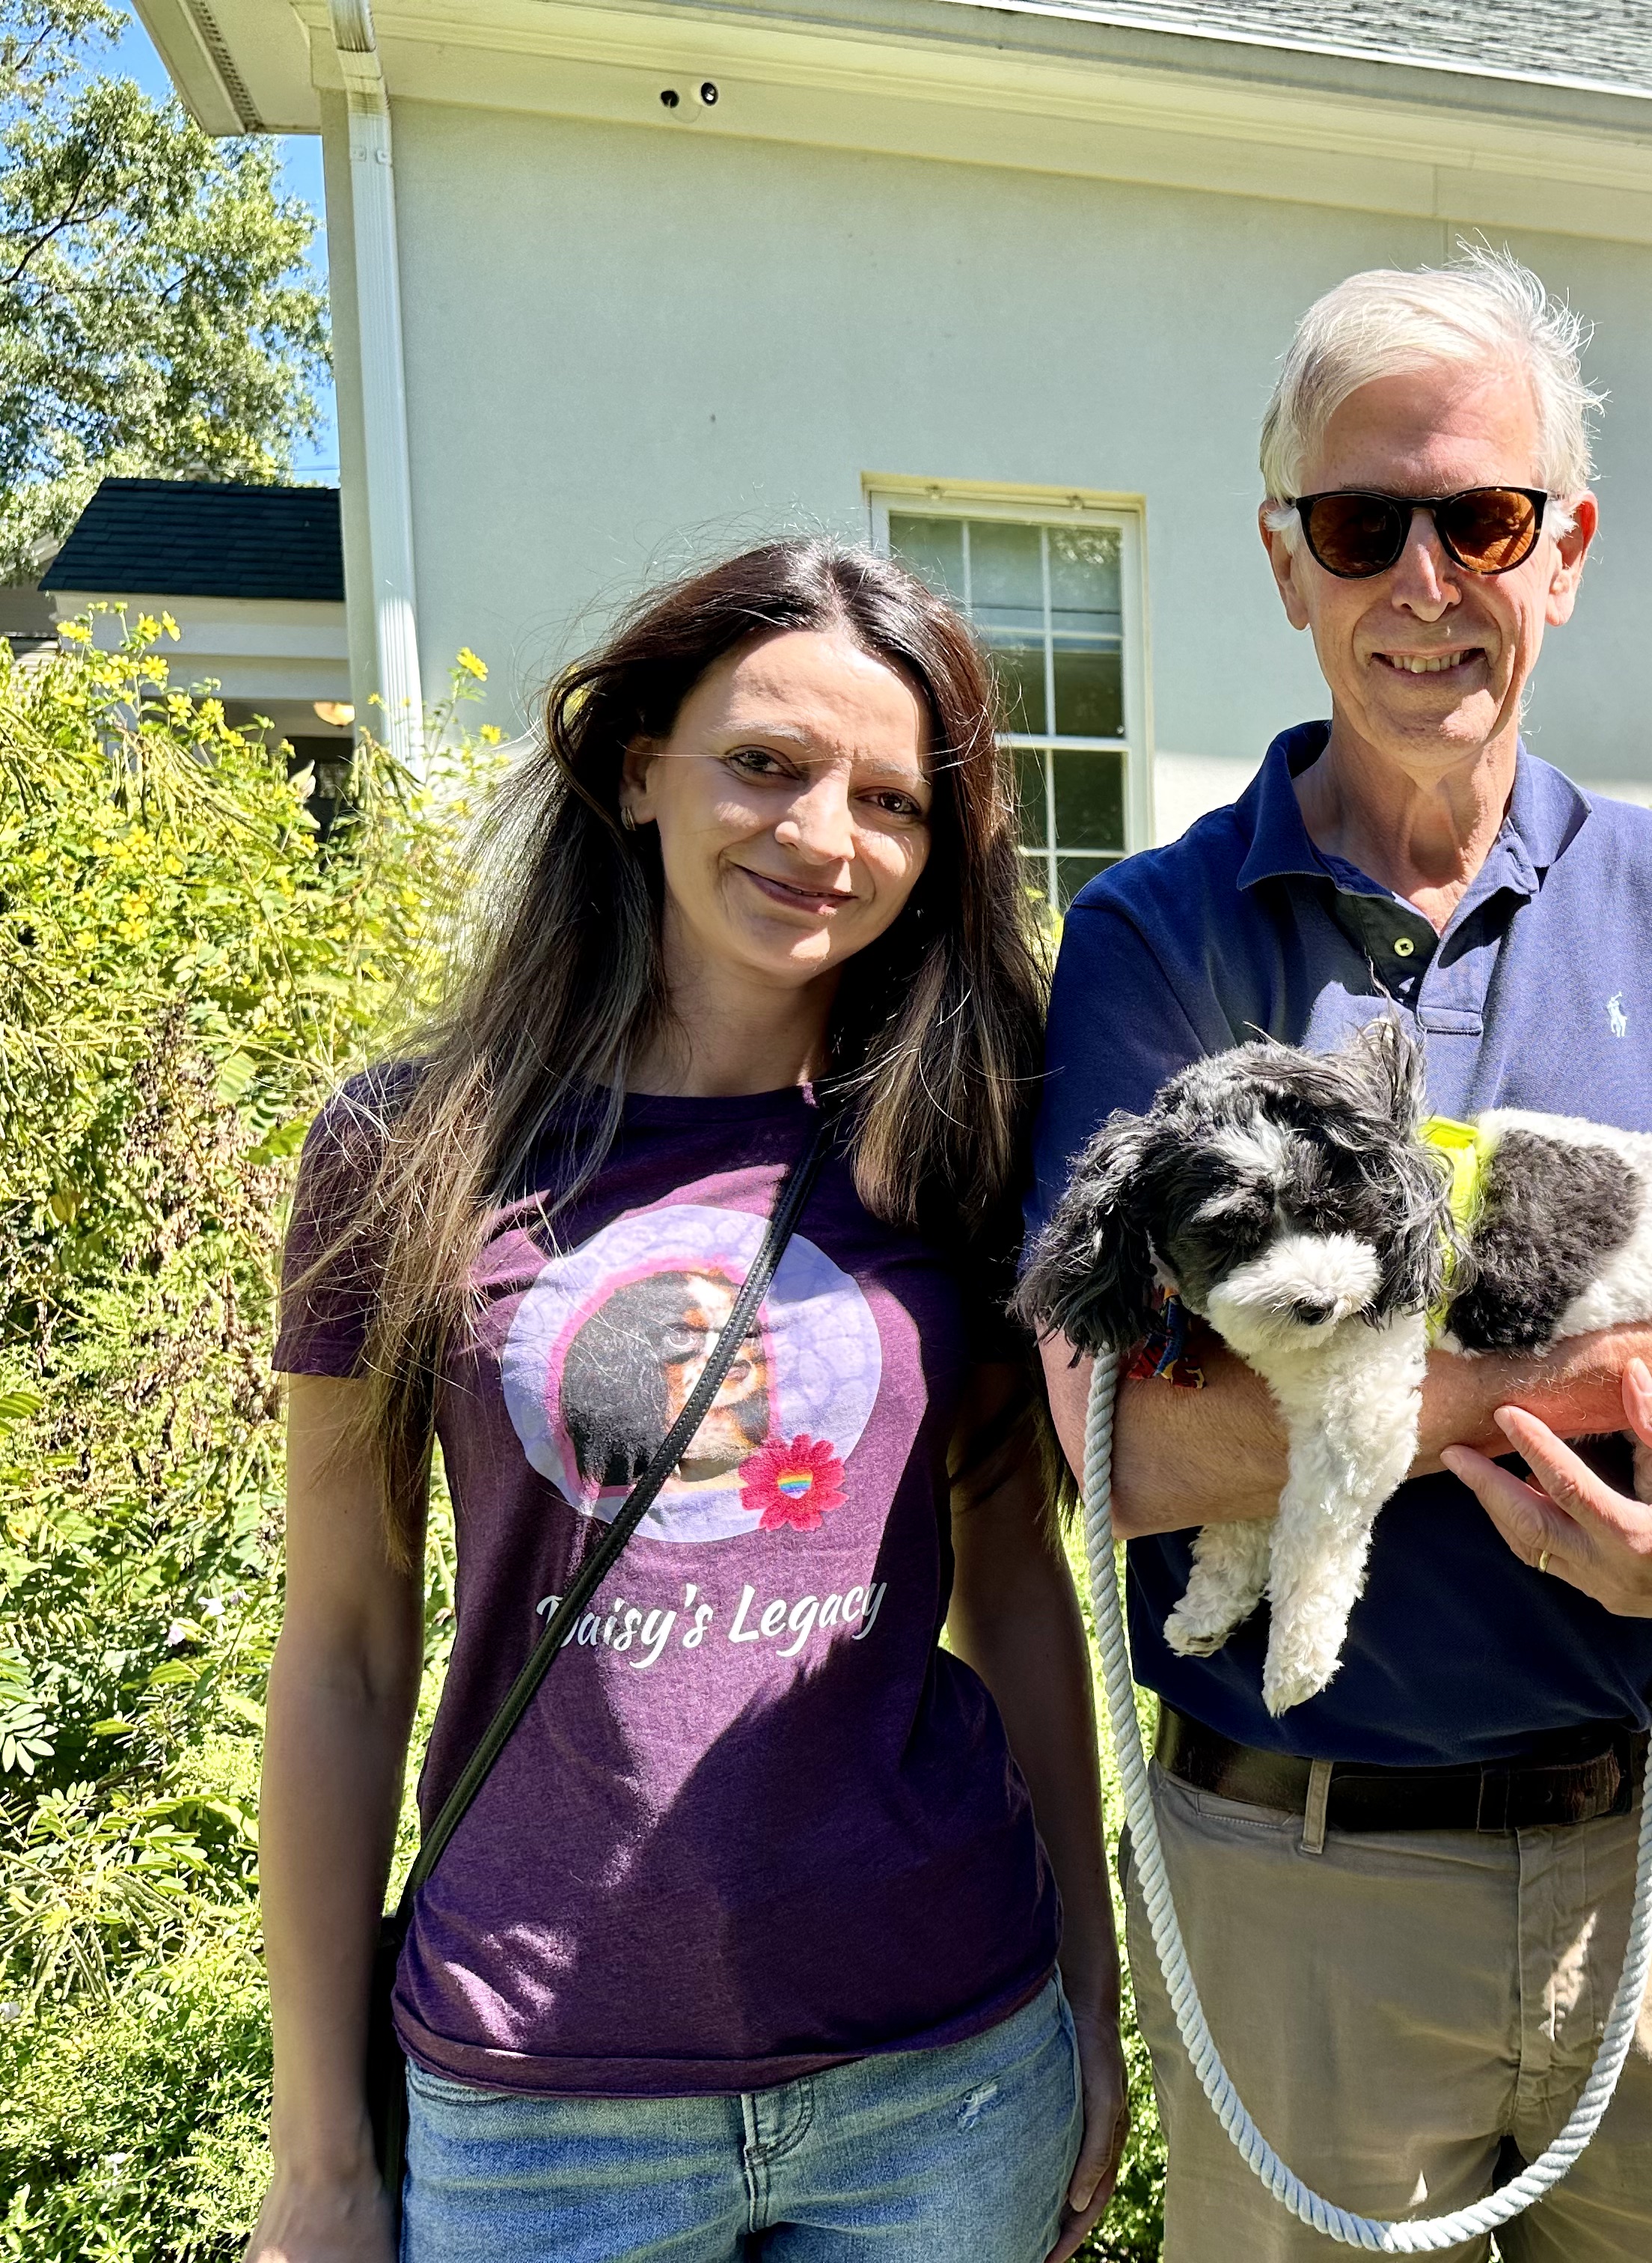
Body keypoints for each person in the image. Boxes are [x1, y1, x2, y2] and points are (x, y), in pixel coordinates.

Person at [1024, 246, 1652, 2261]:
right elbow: (1118, 1446)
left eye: (1483, 519)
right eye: (1361, 525)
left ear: (1564, 550)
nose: (1425, 579)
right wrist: (1624, 1379)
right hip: (1300, 1879)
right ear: (1287, 563)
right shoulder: (1161, 939)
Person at [248, 541, 1128, 2263]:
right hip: (537, 2106)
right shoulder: (409, 1149)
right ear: (641, 768)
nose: (824, 836)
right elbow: (342, 1648)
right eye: (766, 764)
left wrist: (1095, 2003)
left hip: (943, 2083)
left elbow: (1018, 1587)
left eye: (891, 799)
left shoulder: (961, 1148)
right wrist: (321, 2154)